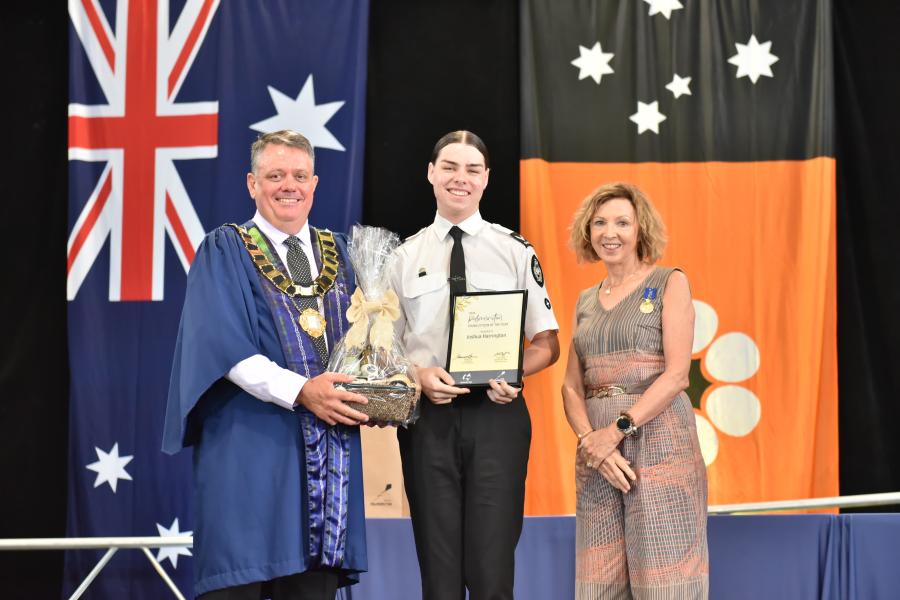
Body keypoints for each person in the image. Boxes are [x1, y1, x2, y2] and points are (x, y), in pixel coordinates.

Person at [162, 130, 369, 599]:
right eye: (275, 176)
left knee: (311, 587)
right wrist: (303, 391)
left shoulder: (344, 253)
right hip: (250, 451)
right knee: (242, 581)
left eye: (299, 175)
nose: (288, 186)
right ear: (252, 184)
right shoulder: (225, 250)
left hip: (328, 462)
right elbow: (223, 347)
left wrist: (381, 388)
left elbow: (368, 344)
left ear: (314, 184)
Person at [391, 130, 560, 599]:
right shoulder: (402, 257)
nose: (459, 178)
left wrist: (513, 371)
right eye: (449, 167)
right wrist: (417, 375)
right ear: (431, 173)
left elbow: (547, 343)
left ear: (486, 179)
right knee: (439, 575)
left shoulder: (515, 250)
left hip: (497, 417)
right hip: (428, 420)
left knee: (491, 572)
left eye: (472, 169)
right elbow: (383, 349)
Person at [561, 182, 708, 599]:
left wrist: (616, 431)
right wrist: (592, 441)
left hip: (660, 447)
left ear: (641, 229)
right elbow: (571, 386)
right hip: (598, 458)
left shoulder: (669, 282)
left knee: (664, 582)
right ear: (588, 231)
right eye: (600, 223)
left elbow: (677, 375)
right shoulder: (585, 301)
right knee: (598, 584)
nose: (610, 232)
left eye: (622, 223)